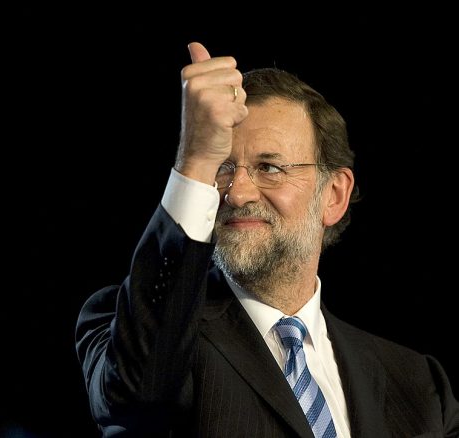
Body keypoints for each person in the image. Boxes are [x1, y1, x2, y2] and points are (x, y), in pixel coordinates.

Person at [75, 42, 459, 437]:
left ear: (333, 195)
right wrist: (195, 159)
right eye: (222, 167)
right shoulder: (136, 329)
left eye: (269, 167)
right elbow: (138, 399)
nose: (237, 193)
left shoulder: (418, 385)